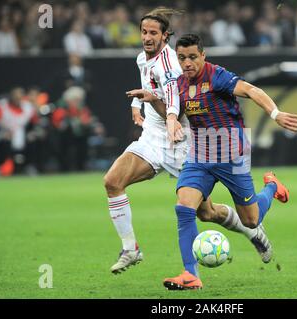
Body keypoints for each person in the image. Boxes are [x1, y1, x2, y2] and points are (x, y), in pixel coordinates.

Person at [106, 7, 274, 276]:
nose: (147, 38)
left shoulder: (174, 65)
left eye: (153, 33)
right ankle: (132, 249)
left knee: (206, 214)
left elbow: (175, 106)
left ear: (165, 37)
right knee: (112, 182)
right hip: (152, 138)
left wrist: (165, 113)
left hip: (182, 141)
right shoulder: (142, 58)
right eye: (144, 32)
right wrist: (139, 101)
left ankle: (250, 228)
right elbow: (150, 87)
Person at [132, 34, 297, 290]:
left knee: (252, 221)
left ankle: (271, 187)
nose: (187, 63)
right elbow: (172, 112)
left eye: (192, 57)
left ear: (203, 55)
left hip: (232, 151)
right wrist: (153, 99)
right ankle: (191, 275)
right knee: (185, 206)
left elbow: (251, 90)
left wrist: (275, 113)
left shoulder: (217, 76)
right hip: (200, 153)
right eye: (181, 58)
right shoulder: (179, 84)